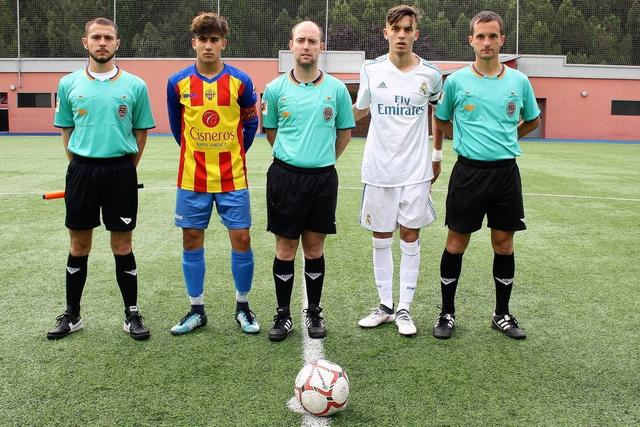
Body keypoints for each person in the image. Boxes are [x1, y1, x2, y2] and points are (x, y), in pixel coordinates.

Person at [432, 11, 541, 340]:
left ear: (502, 40)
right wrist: (459, 140)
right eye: (480, 36)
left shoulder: (519, 82)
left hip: (506, 173)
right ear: (471, 41)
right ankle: (447, 313)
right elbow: (441, 118)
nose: (487, 42)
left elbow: (533, 120)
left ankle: (501, 314)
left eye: (493, 36)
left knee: (503, 243)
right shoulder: (456, 82)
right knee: (456, 242)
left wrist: (508, 138)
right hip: (468, 172)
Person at [48, 17, 155, 340]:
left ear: (117, 43)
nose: (102, 43)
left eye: (108, 37)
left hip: (121, 172)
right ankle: (73, 314)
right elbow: (67, 130)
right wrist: (81, 165)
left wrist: (125, 168)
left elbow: (140, 133)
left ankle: (132, 314)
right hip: (81, 171)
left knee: (122, 244)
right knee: (79, 245)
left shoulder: (135, 86)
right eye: (96, 37)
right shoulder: (69, 84)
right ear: (86, 42)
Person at [166, 12, 260, 335]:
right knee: (191, 239)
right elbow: (177, 128)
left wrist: (233, 152)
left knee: (242, 239)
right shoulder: (177, 82)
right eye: (202, 39)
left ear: (224, 43)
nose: (208, 45)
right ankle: (196, 309)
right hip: (192, 177)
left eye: (214, 39)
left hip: (232, 176)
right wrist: (197, 152)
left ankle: (243, 307)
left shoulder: (241, 82)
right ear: (193, 42)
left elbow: (250, 124)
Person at [261, 21, 355, 342]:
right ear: (291, 45)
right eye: (300, 40)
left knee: (314, 249)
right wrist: (295, 157)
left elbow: (344, 134)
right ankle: (283, 314)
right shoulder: (275, 89)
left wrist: (321, 159)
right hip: (285, 178)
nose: (306, 46)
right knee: (285, 248)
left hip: (322, 179)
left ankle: (313, 311)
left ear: (321, 47)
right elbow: (271, 133)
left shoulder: (337, 90)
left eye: (312, 41)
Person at [352, 5, 442, 337]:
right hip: (378, 169)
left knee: (409, 236)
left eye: (407, 29)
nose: (401, 34)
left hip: (416, 170)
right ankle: (385, 306)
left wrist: (436, 155)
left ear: (416, 33)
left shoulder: (431, 75)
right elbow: (360, 110)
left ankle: (404, 308)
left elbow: (438, 113)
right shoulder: (371, 69)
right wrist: (328, 119)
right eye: (396, 28)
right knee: (380, 236)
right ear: (386, 32)